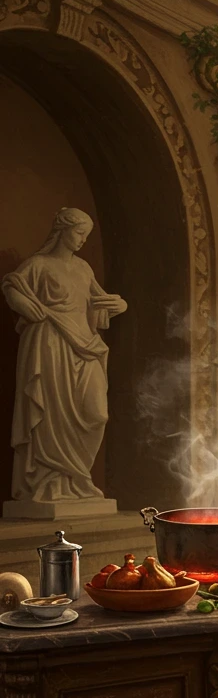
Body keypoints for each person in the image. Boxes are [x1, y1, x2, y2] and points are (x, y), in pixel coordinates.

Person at [2, 207, 126, 503]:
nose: (82, 240)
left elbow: (98, 299)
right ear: (62, 230)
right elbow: (11, 285)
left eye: (86, 235)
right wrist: (23, 304)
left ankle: (77, 479)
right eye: (79, 233)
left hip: (84, 346)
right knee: (49, 413)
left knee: (97, 413)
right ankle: (49, 482)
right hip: (49, 344)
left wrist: (118, 304)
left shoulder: (83, 268)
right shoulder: (39, 264)